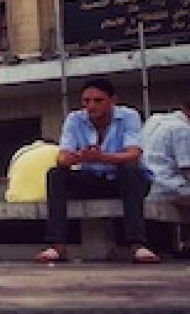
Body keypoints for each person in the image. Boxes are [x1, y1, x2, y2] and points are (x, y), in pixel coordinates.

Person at [37, 78, 158, 263]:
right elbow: (61, 158)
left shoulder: (129, 116)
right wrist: (78, 157)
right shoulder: (74, 119)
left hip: (126, 181)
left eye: (98, 101)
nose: (91, 106)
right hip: (93, 178)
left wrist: (102, 157)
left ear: (112, 100)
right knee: (56, 174)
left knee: (129, 169)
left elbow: (133, 154)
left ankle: (138, 245)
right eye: (86, 101)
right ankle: (57, 246)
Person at [141, 98, 190, 204]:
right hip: (168, 186)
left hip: (147, 185)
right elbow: (186, 168)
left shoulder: (154, 120)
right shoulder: (183, 129)